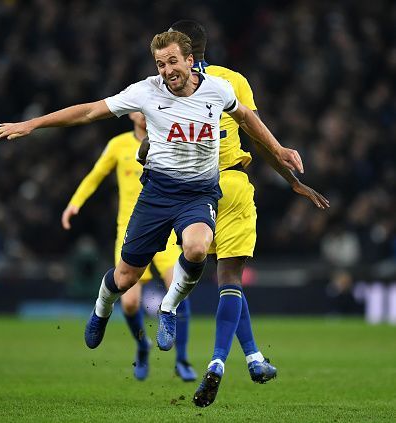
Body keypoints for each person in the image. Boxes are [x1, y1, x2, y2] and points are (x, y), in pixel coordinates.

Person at [0, 31, 303, 399]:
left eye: (173, 61)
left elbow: (248, 118)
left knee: (198, 248)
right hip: (156, 195)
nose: (168, 70)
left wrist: (277, 148)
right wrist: (33, 124)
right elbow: (90, 111)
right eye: (161, 63)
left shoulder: (218, 90)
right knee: (125, 279)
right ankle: (101, 308)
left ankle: (168, 308)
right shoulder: (146, 91)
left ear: (190, 61)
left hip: (199, 193)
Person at [137, 20, 330, 407]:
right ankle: (220, 362)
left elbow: (148, 146)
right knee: (231, 279)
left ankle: (255, 358)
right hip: (234, 186)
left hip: (189, 189)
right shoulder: (231, 81)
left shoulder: (164, 86)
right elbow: (258, 136)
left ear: (186, 53)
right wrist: (291, 179)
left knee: (215, 277)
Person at [61, 112, 196, 381]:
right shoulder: (118, 145)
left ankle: (181, 359)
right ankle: (142, 346)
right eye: (138, 109)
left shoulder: (169, 138)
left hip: (167, 227)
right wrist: (75, 203)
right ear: (130, 113)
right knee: (131, 303)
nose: (143, 114)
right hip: (130, 231)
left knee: (179, 288)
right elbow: (95, 175)